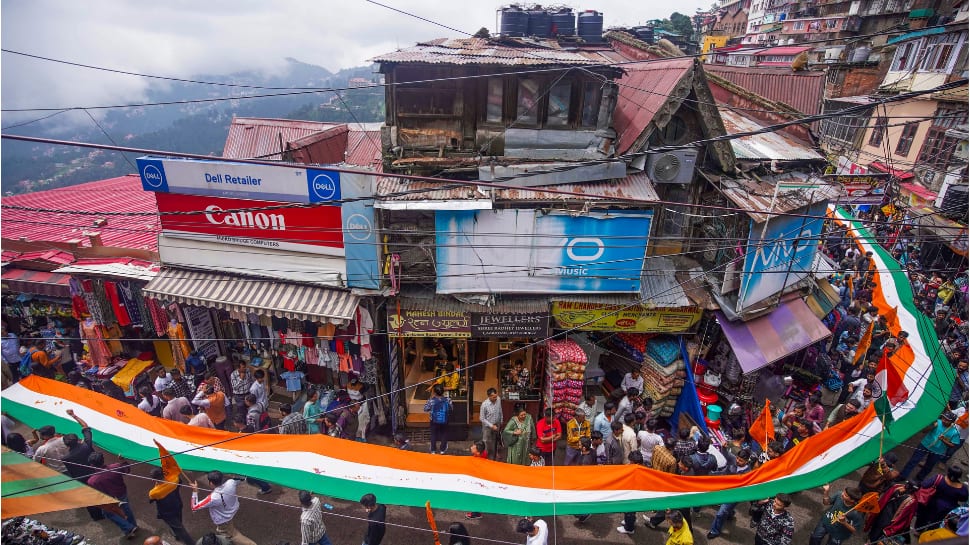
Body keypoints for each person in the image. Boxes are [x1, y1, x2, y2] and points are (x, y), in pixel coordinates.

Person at [190, 471, 256, 545]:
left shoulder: (213, 498)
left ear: (211, 483)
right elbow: (241, 478)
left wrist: (195, 491)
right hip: (232, 510)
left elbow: (194, 507)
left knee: (231, 536)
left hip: (224, 519)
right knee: (229, 530)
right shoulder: (231, 482)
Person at [87, 452, 139, 538]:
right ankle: (133, 526)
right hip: (121, 493)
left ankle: (128, 528)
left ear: (92, 465)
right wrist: (123, 460)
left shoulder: (92, 481)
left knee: (109, 513)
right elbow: (127, 470)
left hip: (108, 499)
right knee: (126, 509)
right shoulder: (116, 467)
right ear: (103, 460)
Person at [707, 448, 753, 539]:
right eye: (737, 458)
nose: (738, 461)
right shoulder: (733, 461)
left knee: (720, 513)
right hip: (726, 490)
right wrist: (713, 475)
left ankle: (715, 530)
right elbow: (726, 455)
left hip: (734, 495)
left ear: (747, 461)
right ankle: (730, 513)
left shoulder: (748, 473)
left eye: (741, 460)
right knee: (727, 510)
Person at [914, 465, 968, 536]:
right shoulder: (962, 488)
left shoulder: (938, 478)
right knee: (936, 523)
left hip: (931, 503)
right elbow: (963, 498)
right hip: (946, 509)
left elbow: (925, 485)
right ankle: (930, 535)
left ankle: (918, 531)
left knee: (923, 518)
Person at [148, 467, 194, 545]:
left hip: (167, 513)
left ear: (153, 479)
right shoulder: (175, 480)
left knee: (181, 530)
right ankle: (176, 534)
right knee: (178, 523)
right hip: (177, 505)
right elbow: (179, 481)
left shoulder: (153, 492)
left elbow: (152, 499)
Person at [425, 383, 453, 454]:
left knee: (433, 434)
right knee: (444, 433)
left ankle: (433, 450)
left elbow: (425, 409)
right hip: (445, 420)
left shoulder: (431, 401)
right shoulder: (448, 400)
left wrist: (430, 398)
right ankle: (442, 450)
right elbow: (451, 408)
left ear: (434, 392)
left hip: (433, 421)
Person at [465, 440, 488, 520]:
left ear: (478, 453)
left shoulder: (479, 459)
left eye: (474, 448)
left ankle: (476, 513)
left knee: (475, 495)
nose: (471, 447)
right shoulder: (482, 453)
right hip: (478, 478)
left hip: (478, 480)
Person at [479, 387, 503, 460]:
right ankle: (485, 454)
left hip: (497, 423)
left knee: (496, 439)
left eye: (496, 396)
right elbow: (482, 418)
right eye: (493, 397)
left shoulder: (498, 399)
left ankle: (495, 453)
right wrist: (491, 425)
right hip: (488, 426)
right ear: (489, 396)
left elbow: (500, 410)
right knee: (486, 440)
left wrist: (501, 420)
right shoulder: (484, 405)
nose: (495, 398)